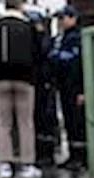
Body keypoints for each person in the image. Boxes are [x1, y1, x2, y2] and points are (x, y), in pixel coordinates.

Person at [0, 0, 43, 178]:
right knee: (25, 122)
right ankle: (27, 164)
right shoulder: (27, 26)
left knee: (3, 123)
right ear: (20, 6)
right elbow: (38, 53)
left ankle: (5, 165)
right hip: (25, 80)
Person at [52, 5, 85, 171]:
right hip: (65, 86)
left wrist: (82, 90)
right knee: (69, 121)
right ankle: (73, 154)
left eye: (63, 18)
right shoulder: (63, 38)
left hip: (74, 86)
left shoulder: (77, 38)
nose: (60, 22)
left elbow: (78, 66)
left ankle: (80, 156)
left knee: (77, 122)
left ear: (73, 18)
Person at [32, 11, 59, 168]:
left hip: (43, 83)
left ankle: (46, 153)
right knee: (45, 118)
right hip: (44, 83)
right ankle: (47, 151)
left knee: (44, 118)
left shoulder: (43, 41)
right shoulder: (47, 40)